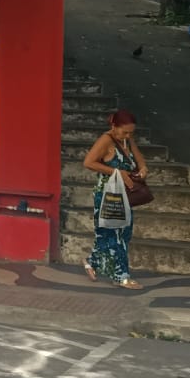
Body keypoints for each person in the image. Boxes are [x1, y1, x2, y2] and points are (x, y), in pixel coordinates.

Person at [82, 109, 149, 289]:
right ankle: (121, 276)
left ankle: (92, 261)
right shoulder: (106, 140)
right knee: (116, 233)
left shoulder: (127, 139)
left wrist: (143, 169)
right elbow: (88, 162)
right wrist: (116, 172)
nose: (128, 136)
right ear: (114, 126)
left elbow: (140, 160)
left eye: (131, 132)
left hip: (124, 193)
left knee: (120, 232)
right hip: (108, 193)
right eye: (124, 132)